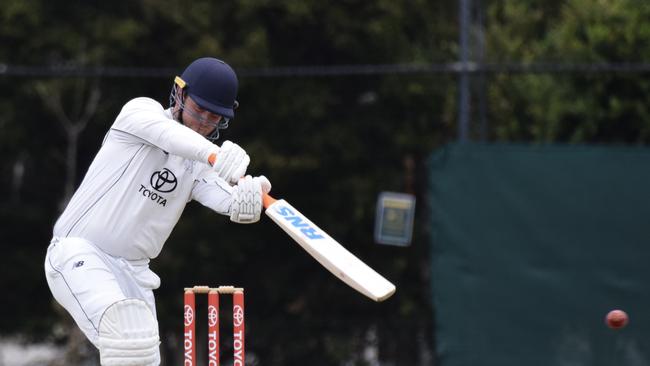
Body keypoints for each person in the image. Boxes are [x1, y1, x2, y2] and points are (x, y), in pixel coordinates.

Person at [43, 57, 270, 365]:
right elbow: (171, 137)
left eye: (213, 116)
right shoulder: (139, 114)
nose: (202, 121)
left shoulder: (200, 166)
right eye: (198, 109)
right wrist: (217, 156)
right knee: (126, 337)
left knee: (140, 356)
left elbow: (227, 200)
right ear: (179, 93)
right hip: (79, 252)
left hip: (135, 275)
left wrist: (249, 198)